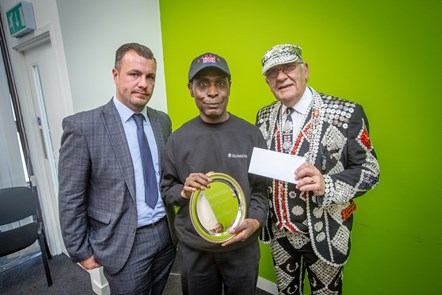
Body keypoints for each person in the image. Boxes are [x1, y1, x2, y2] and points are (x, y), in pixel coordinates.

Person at [256, 44, 380, 294]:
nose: (281, 76)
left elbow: (370, 170)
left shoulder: (346, 114)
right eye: (272, 73)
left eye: (289, 67)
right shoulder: (263, 116)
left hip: (327, 234)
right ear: (268, 81)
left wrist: (328, 184)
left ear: (306, 70)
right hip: (280, 233)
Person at [58, 42, 176, 295]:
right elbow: (71, 196)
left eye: (150, 77)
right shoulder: (83, 127)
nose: (143, 83)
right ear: (115, 75)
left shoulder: (162, 121)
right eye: (134, 74)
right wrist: (80, 250)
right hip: (124, 242)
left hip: (165, 234)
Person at [161, 52, 268, 295]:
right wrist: (184, 191)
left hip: (241, 246)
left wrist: (256, 221)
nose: (212, 92)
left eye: (220, 83)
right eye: (202, 84)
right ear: (190, 89)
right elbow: (167, 190)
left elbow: (261, 190)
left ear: (229, 87)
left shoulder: (251, 135)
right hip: (196, 250)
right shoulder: (178, 139)